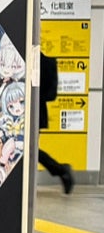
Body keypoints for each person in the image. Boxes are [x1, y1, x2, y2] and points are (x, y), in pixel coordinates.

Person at [38, 46, 76, 194]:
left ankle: (61, 170)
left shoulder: (46, 63)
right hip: (24, 114)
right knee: (30, 150)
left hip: (35, 113)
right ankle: (61, 170)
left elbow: (51, 94)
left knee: (30, 150)